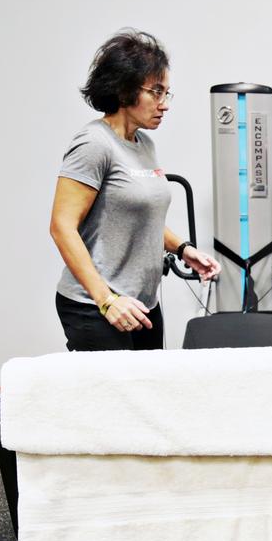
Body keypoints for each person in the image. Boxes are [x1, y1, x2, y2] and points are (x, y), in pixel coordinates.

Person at [49, 29, 219, 352]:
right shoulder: (93, 144)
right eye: (156, 92)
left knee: (148, 396)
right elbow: (61, 226)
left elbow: (140, 213)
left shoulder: (144, 144)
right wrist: (106, 300)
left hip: (142, 303)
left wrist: (183, 249)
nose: (164, 104)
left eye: (167, 93)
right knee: (113, 401)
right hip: (96, 306)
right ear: (125, 89)